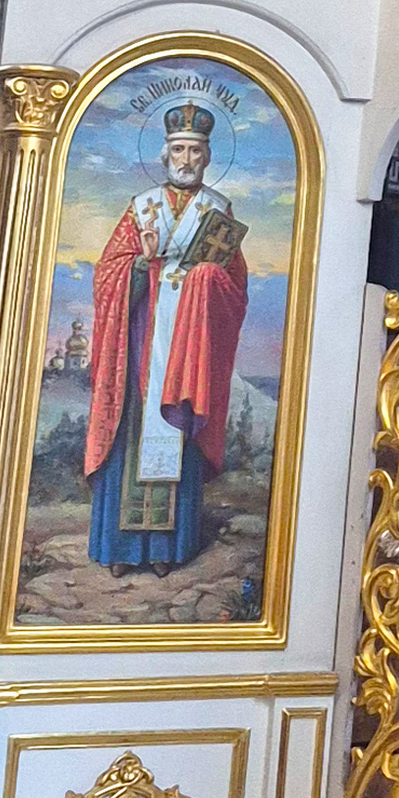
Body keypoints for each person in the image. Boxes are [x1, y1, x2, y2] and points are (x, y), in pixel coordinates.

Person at [83, 104, 251, 573]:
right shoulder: (141, 207)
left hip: (188, 349)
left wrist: (206, 280)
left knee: (175, 432)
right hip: (140, 343)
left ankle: (165, 551)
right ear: (165, 154)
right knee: (132, 431)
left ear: (208, 156)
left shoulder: (218, 210)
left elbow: (235, 288)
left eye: (196, 150)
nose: (187, 158)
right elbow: (107, 274)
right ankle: (119, 549)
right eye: (179, 148)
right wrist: (141, 264)